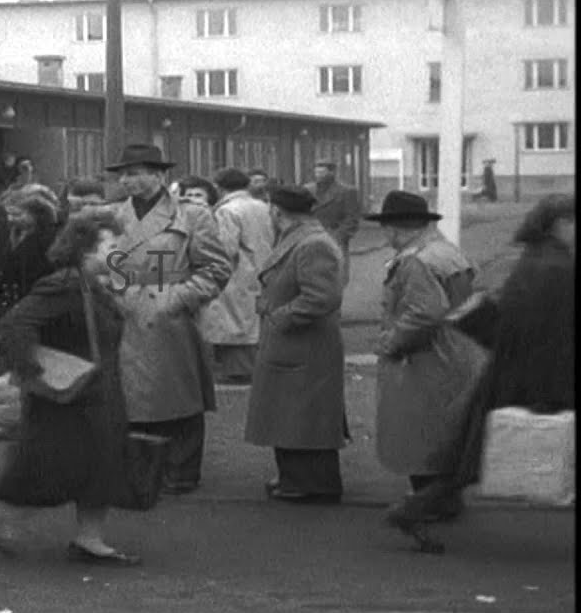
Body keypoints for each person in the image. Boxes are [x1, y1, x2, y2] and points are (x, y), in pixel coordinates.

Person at [385, 193, 575, 547]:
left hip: (514, 373)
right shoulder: (556, 268)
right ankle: (415, 508)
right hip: (539, 376)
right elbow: (546, 329)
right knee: (472, 454)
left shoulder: (537, 260)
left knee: (470, 455)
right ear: (561, 224)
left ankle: (415, 508)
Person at [0, 211, 141, 566]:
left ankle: (90, 539)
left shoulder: (91, 285)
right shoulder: (66, 284)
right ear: (86, 249)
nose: (119, 251)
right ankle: (7, 512)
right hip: (70, 392)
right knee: (53, 463)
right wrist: (34, 368)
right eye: (111, 245)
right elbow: (16, 322)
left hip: (94, 388)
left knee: (100, 463)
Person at [107, 144, 231, 495]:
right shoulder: (112, 215)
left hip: (169, 316)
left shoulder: (191, 215)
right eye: (124, 174)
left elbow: (216, 268)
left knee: (177, 397)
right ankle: (139, 470)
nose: (127, 180)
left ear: (160, 175)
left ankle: (181, 471)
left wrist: (177, 298)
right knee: (129, 399)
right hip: (122, 312)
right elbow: (99, 262)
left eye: (135, 173)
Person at [367, 191, 486, 526]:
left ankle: (428, 502)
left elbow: (424, 313)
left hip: (424, 358)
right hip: (455, 350)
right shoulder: (445, 251)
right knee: (444, 428)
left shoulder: (416, 260)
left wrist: (390, 342)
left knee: (419, 433)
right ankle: (446, 498)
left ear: (394, 228)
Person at [244, 186, 347, 504]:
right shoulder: (304, 238)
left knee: (304, 415)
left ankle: (310, 483)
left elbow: (322, 297)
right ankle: (293, 477)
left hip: (303, 341)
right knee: (291, 414)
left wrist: (281, 317)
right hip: (295, 343)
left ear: (277, 212)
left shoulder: (312, 243)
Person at [198, 169, 275, 385]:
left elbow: (226, 247)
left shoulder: (227, 211)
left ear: (219, 187)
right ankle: (255, 366)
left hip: (237, 271)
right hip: (263, 267)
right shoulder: (263, 207)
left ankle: (237, 370)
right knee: (253, 320)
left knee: (232, 322)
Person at [0, 188, 59, 317]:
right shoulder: (9, 234)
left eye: (17, 215)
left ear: (36, 215)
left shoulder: (48, 239)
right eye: (9, 214)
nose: (11, 219)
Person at [305, 161, 361, 287]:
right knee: (309, 277)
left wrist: (338, 237)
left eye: (322, 172)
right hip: (310, 238)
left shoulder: (347, 191)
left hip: (335, 237)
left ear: (332, 172)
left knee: (335, 278)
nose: (318, 175)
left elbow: (352, 218)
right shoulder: (307, 190)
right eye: (317, 172)